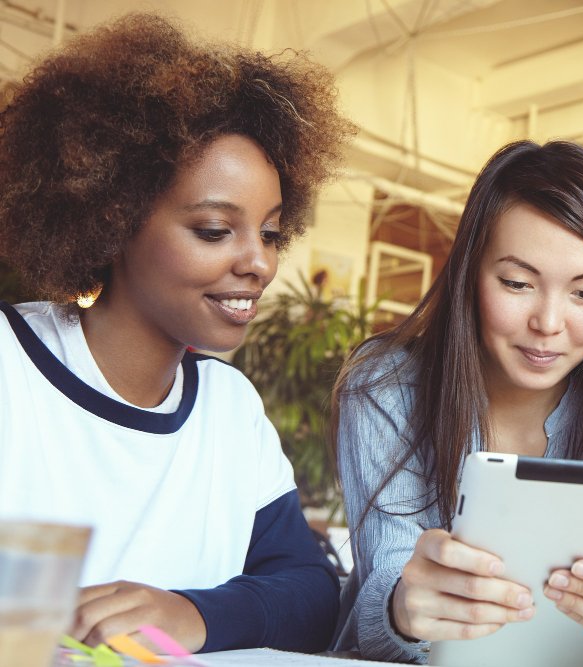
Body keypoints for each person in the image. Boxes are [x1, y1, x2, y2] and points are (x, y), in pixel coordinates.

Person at [0, 13, 353, 654]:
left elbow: (310, 591)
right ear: (113, 219)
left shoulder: (229, 408)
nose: (261, 263)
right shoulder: (10, 369)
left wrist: (193, 614)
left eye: (270, 234)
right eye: (216, 230)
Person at [332, 140, 583, 664]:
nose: (547, 323)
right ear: (470, 275)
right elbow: (382, 585)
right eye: (517, 283)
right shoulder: (386, 387)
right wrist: (405, 607)